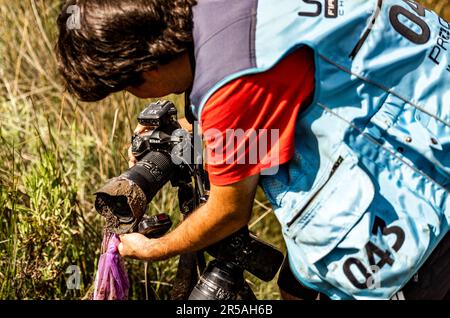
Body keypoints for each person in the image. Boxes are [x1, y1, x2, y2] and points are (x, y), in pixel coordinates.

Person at [56, 0, 449, 300]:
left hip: (424, 199)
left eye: (128, 87)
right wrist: (182, 129)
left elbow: (228, 212)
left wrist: (152, 248)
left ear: (148, 68)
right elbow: (264, 85)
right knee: (296, 286)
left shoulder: (230, 87)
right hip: (425, 98)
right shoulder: (212, 16)